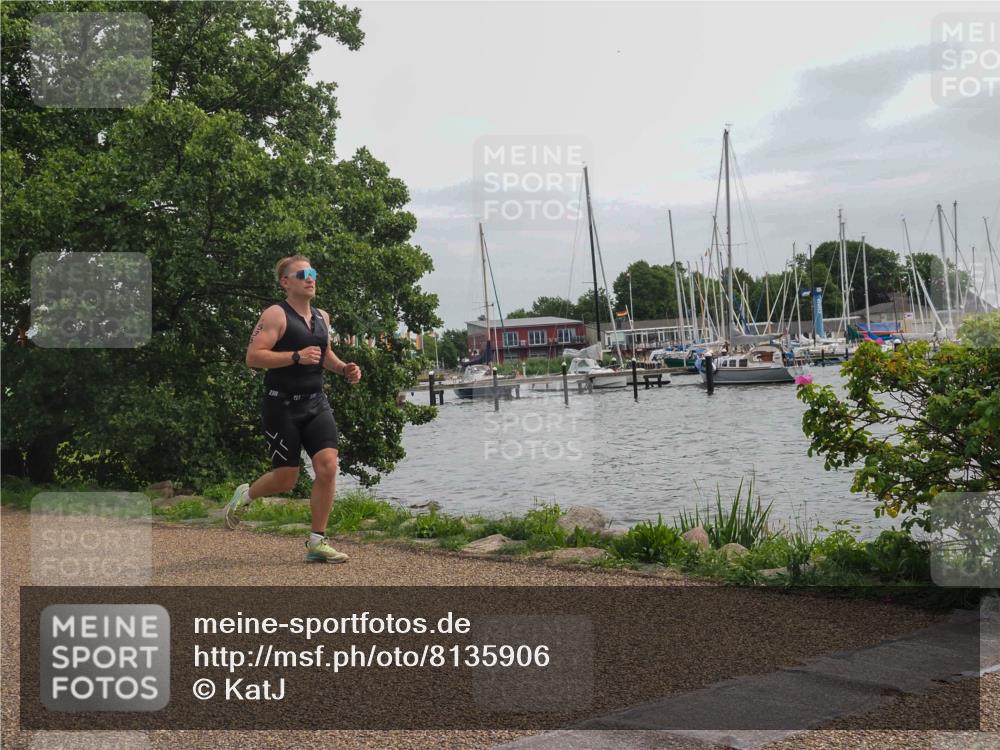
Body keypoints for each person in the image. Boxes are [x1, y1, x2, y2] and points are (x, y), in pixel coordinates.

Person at [225, 255, 362, 563]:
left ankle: (317, 541)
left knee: (327, 466)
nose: (309, 277)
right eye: (301, 274)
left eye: (312, 272)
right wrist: (295, 357)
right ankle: (245, 496)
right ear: (285, 282)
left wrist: (344, 369)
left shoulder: (322, 317)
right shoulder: (276, 315)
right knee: (286, 478)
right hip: (281, 405)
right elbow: (253, 357)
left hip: (316, 402)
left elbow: (324, 354)